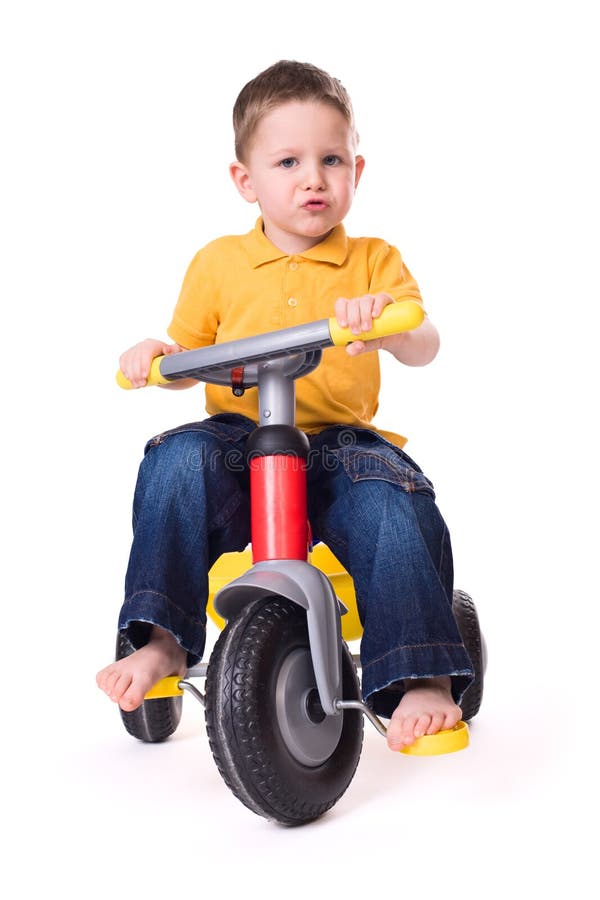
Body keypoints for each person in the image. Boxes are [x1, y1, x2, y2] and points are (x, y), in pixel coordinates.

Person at [96, 60, 473, 750]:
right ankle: (161, 639)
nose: (313, 179)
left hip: (337, 444)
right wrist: (157, 357)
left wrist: (386, 321)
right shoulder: (217, 263)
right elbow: (188, 357)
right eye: (289, 161)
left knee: (390, 498)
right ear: (247, 181)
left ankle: (422, 674)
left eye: (332, 160)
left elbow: (424, 342)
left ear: (356, 169)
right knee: (176, 461)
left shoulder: (370, 261)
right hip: (239, 438)